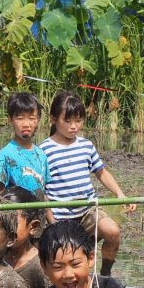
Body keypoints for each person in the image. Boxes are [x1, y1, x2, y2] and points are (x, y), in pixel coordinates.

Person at [39, 91, 135, 277]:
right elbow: (41, 190)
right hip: (60, 216)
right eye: (68, 121)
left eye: (78, 120)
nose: (74, 126)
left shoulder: (86, 145)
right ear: (53, 119)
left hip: (88, 211)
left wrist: (120, 194)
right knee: (67, 258)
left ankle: (105, 275)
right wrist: (52, 222)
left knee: (113, 232)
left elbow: (101, 172)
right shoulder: (44, 150)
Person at [0, 92, 49, 197]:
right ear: (10, 120)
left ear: (38, 120)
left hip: (39, 212)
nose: (26, 124)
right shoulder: (5, 154)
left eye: (31, 118)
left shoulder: (41, 155)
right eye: (20, 118)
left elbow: (43, 194)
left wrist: (50, 214)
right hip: (15, 212)